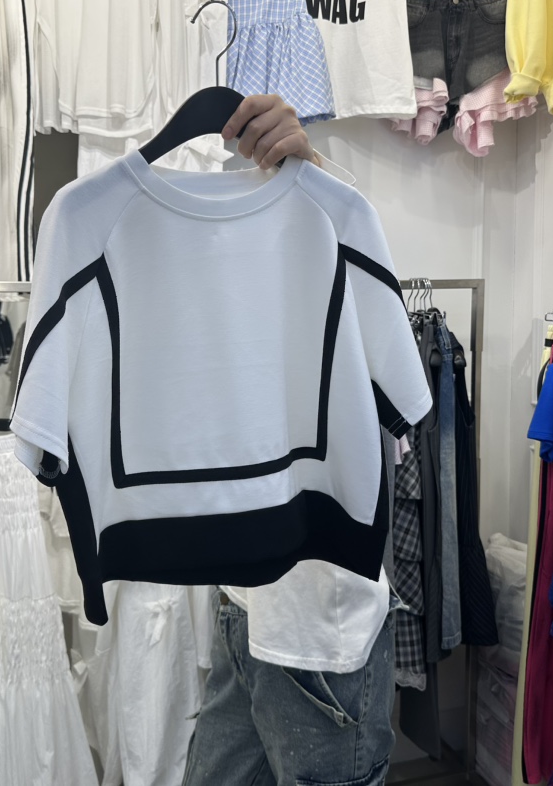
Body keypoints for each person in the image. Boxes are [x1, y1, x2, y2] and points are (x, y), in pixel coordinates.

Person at [182, 94, 397, 786]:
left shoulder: (334, 233)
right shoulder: (193, 255)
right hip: (244, 605)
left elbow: (396, 395)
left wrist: (311, 169)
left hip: (320, 637)